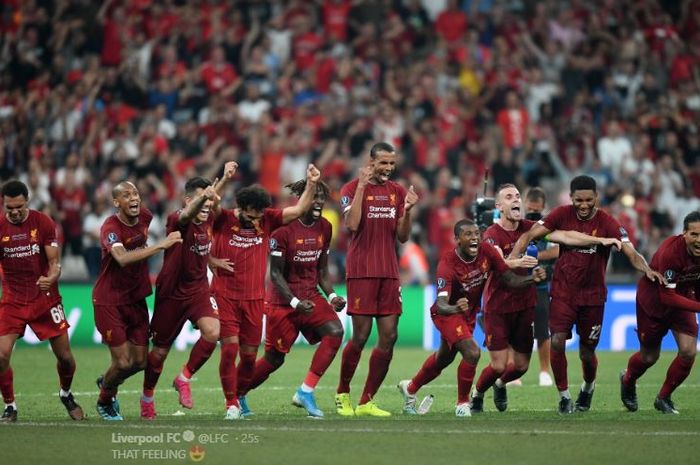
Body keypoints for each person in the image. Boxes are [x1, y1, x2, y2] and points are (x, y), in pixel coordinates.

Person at [511, 175, 663, 414]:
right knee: (558, 341)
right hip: (562, 292)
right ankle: (564, 397)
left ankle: (588, 387)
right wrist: (512, 262)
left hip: (593, 297)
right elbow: (529, 235)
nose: (583, 205)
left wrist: (647, 269)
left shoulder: (608, 223)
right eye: (578, 200)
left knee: (586, 352)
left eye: (588, 200)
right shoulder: (560, 215)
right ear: (571, 198)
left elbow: (630, 251)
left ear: (597, 198)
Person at [471, 184, 613, 413]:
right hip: (497, 307)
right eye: (509, 197)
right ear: (499, 206)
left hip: (525, 306)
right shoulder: (491, 235)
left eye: (517, 195)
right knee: (498, 365)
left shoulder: (532, 228)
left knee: (521, 366)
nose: (515, 199)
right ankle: (477, 395)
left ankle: (499, 385)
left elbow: (564, 236)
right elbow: (497, 265)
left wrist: (600, 240)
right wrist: (518, 263)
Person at [397, 219, 547, 417]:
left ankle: (411, 388)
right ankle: (463, 404)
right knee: (472, 352)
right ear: (457, 239)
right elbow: (441, 303)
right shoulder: (447, 263)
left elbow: (509, 279)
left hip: (468, 313)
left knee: (444, 358)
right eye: (468, 234)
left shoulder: (488, 251)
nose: (475, 237)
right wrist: (454, 307)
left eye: (477, 233)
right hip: (447, 313)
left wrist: (531, 279)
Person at [211, 164, 321, 420]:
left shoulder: (267, 219)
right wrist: (225, 179)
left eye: (260, 215)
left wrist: (312, 183)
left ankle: (238, 396)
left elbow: (299, 209)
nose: (256, 219)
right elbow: (211, 200)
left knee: (249, 359)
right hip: (225, 295)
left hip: (253, 299)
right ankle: (230, 405)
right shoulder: (223, 219)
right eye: (251, 215)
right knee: (229, 349)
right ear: (241, 208)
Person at [238, 179, 346, 418]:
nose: (318, 201)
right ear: (303, 198)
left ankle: (305, 391)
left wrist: (332, 295)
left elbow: (322, 271)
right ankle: (236, 393)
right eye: (314, 196)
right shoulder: (282, 230)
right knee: (274, 360)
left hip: (311, 296)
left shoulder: (325, 227)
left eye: (321, 197)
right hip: (282, 302)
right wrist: (295, 303)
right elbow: (275, 274)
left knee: (336, 332)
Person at [335, 141, 419, 417]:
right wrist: (361, 186)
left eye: (392, 163)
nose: (388, 168)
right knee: (359, 336)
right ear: (370, 162)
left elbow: (403, 236)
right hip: (361, 271)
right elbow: (351, 225)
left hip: (389, 272)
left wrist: (407, 210)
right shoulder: (349, 188)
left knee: (390, 336)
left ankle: (366, 401)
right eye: (383, 162)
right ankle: (342, 394)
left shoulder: (396, 192)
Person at [93, 181, 182, 421]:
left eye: (135, 194)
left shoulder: (145, 216)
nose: (133, 198)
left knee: (140, 362)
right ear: (116, 203)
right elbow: (121, 259)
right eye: (126, 195)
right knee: (122, 362)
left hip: (136, 298)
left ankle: (108, 380)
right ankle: (105, 399)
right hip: (109, 300)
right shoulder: (110, 228)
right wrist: (159, 246)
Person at [0, 179, 84, 422]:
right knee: (1, 355)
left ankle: (66, 393)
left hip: (45, 299)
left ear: (27, 201)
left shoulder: (43, 222)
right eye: (9, 208)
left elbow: (54, 263)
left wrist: (52, 276)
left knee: (66, 359)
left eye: (19, 206)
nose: (14, 212)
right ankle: (10, 406)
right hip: (13, 300)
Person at [140, 176, 223, 420]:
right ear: (188, 200)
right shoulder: (178, 219)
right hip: (172, 293)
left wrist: (225, 179)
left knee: (213, 332)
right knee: (159, 353)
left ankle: (183, 378)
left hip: (197, 290)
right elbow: (187, 217)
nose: (207, 207)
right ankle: (147, 397)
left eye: (209, 202)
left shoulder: (207, 219)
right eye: (202, 200)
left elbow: (199, 249)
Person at [620, 211, 700, 414]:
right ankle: (628, 379)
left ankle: (663, 398)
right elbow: (667, 297)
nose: (699, 240)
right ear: (684, 234)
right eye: (694, 234)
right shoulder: (671, 252)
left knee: (689, 351)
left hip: (682, 299)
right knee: (649, 358)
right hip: (655, 303)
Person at [523, 187, 556, 387]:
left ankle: (544, 371)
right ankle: (514, 373)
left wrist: (533, 258)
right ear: (525, 203)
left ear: (543, 207)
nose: (533, 212)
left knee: (543, 331)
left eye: (537, 209)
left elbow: (558, 250)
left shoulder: (547, 227)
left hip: (540, 286)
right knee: (515, 330)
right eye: (531, 208)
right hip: (517, 285)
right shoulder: (518, 225)